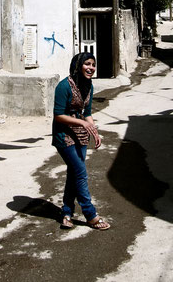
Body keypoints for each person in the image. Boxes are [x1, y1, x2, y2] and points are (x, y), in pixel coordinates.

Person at [52, 52, 110, 230]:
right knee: (80, 173)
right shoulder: (64, 86)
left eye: (93, 64)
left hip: (81, 136)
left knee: (74, 174)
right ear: (78, 66)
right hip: (64, 136)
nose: (91, 68)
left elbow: (88, 113)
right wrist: (81, 122)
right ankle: (90, 215)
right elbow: (58, 115)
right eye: (87, 64)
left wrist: (94, 131)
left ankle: (67, 212)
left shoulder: (89, 85)